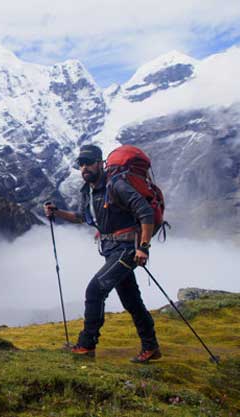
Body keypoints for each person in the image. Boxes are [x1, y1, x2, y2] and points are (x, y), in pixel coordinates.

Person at [44, 144, 161, 363]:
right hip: (111, 251)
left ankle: (86, 345)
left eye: (89, 162)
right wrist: (57, 213)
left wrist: (143, 248)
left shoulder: (117, 185)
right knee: (132, 301)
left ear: (100, 163)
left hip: (127, 250)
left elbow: (145, 213)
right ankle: (151, 347)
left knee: (95, 290)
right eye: (81, 164)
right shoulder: (88, 191)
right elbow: (82, 217)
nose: (85, 167)